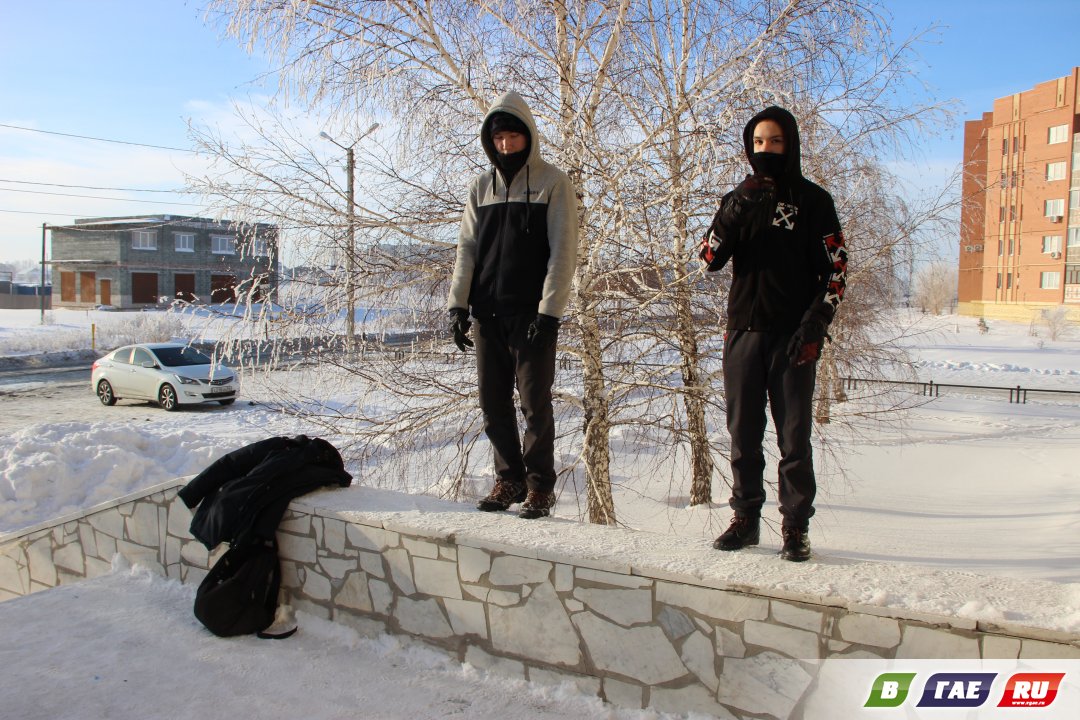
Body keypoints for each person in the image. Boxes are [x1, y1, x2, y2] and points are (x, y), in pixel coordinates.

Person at [699, 106, 848, 561]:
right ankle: (745, 520)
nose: (766, 150)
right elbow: (708, 258)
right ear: (749, 147)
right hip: (743, 334)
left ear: (791, 145)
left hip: (793, 338)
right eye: (759, 142)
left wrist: (816, 323)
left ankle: (795, 527)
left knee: (794, 438)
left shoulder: (814, 201)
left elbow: (838, 269)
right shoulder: (736, 199)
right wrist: (735, 210)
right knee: (743, 433)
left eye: (776, 142)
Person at [447, 90, 579, 520]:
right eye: (499, 138)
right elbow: (467, 249)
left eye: (513, 137)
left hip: (532, 316)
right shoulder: (480, 188)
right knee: (492, 403)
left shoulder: (552, 183)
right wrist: (458, 306)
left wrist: (550, 312)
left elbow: (563, 252)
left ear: (529, 137)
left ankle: (540, 486)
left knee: (534, 405)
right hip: (488, 313)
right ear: (490, 141)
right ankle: (510, 478)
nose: (506, 145)